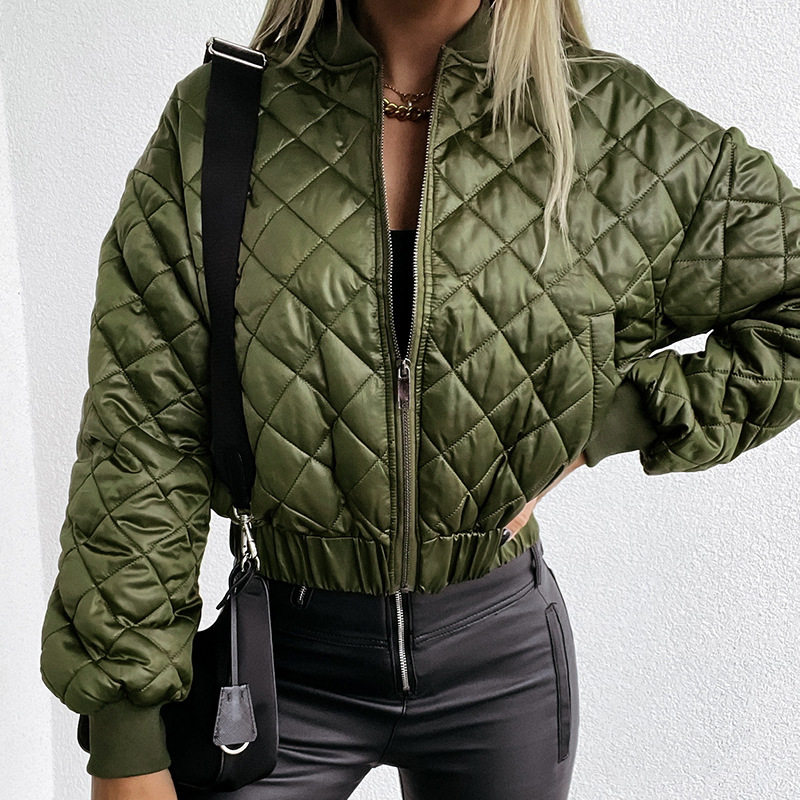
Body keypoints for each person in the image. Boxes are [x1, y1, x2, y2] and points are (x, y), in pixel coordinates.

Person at [40, 0, 800, 798]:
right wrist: (126, 736)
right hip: (281, 661)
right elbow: (143, 435)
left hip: (499, 665)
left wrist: (615, 421)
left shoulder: (614, 127)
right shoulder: (224, 120)